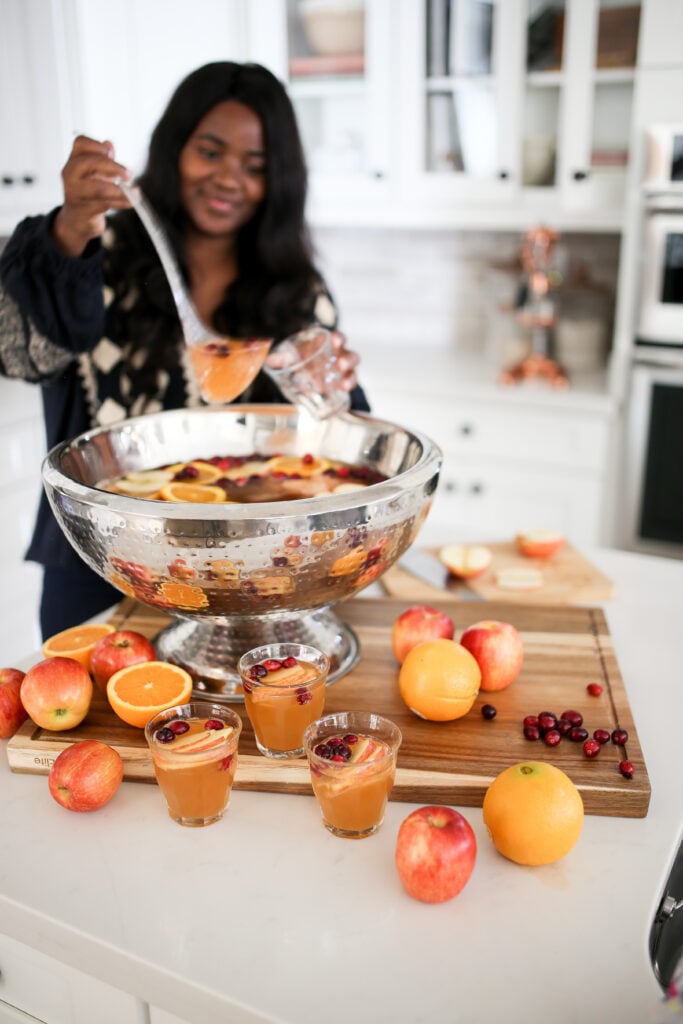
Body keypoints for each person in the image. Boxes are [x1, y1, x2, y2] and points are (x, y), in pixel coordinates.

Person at [0, 61, 369, 638]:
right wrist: (72, 225)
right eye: (211, 152)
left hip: (250, 575)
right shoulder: (99, 252)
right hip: (99, 566)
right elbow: (22, 357)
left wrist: (326, 381)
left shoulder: (295, 290)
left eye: (256, 166)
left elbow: (331, 435)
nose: (229, 178)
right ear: (175, 147)